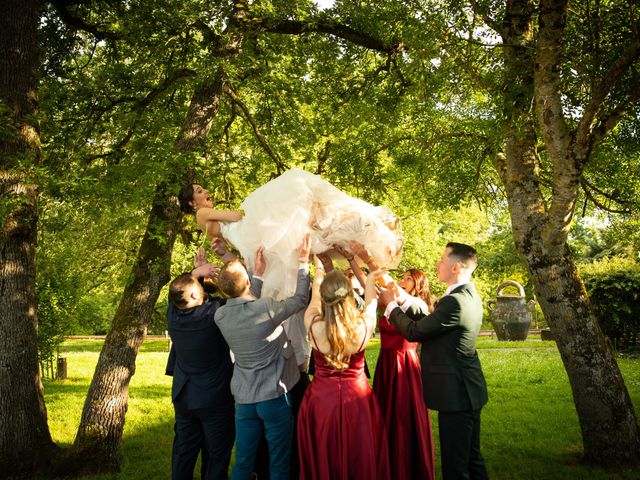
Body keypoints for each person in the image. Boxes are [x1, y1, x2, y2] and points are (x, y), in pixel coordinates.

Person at [179, 168, 402, 301]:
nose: (205, 192)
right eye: (199, 191)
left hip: (248, 240)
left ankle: (362, 231)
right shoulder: (203, 214)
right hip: (249, 228)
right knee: (298, 192)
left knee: (307, 228)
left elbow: (223, 239)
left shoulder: (205, 226)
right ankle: (368, 225)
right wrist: (246, 210)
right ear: (191, 203)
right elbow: (237, 215)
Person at [380, 242, 489, 480]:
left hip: (457, 394)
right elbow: (432, 321)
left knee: (456, 468)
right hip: (467, 390)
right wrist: (403, 299)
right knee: (472, 459)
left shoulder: (455, 302)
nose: (437, 264)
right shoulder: (466, 294)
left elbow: (415, 332)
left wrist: (390, 305)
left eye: (442, 259)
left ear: (456, 267)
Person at [214, 238, 311, 480]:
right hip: (274, 397)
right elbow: (300, 300)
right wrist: (303, 262)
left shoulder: (221, 315)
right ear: (246, 281)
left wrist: (255, 275)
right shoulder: (266, 308)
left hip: (244, 399)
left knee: (243, 462)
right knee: (279, 462)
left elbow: (245, 301)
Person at [297, 257, 390, 480]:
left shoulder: (313, 324)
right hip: (357, 399)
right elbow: (371, 303)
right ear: (349, 295)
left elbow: (315, 300)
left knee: (324, 452)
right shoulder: (363, 326)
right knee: (360, 452)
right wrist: (368, 279)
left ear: (324, 295)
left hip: (321, 401)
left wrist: (318, 270)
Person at [166, 263, 235, 480]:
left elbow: (176, 292)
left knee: (184, 451)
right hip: (213, 398)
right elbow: (237, 295)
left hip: (184, 396)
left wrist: (197, 272)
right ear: (196, 293)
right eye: (199, 285)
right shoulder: (213, 314)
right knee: (217, 454)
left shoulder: (173, 314)